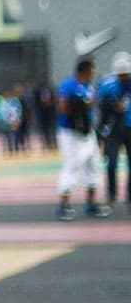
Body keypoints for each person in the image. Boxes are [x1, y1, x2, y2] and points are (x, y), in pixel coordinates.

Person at [55, 58, 111, 220]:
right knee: (72, 166)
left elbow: (91, 104)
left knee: (94, 165)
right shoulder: (69, 85)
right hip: (71, 132)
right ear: (85, 71)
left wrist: (88, 104)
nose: (93, 74)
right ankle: (64, 205)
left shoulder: (89, 86)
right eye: (92, 70)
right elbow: (63, 107)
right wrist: (78, 105)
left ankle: (91, 204)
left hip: (87, 132)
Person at [97, 51, 131, 209]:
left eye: (126, 74)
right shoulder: (107, 84)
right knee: (111, 163)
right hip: (114, 129)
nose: (123, 77)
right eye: (121, 74)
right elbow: (101, 108)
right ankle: (111, 195)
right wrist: (112, 106)